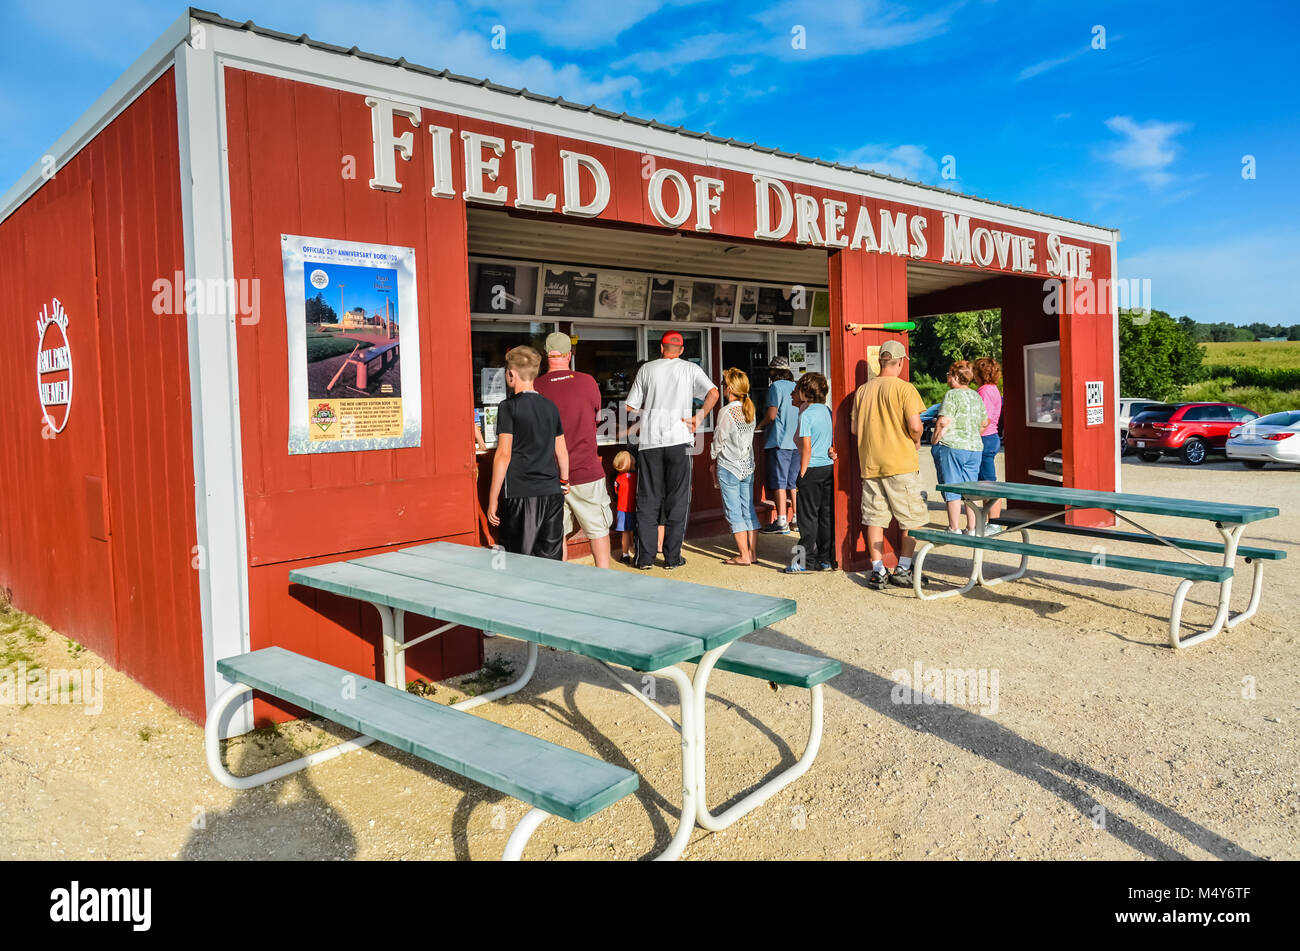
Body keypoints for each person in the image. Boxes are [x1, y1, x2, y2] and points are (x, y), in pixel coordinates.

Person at [624, 331, 719, 569]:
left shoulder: (647, 369)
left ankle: (644, 558)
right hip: (680, 440)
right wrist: (699, 417)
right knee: (678, 500)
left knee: (647, 500)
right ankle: (672, 558)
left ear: (661, 348)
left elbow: (629, 407)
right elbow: (714, 393)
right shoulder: (690, 369)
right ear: (682, 350)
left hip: (650, 442)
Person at [851, 339, 927, 590]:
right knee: (910, 519)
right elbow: (915, 425)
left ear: (880, 361)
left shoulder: (862, 391)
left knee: (874, 518)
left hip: (871, 464)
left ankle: (877, 570)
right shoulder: (905, 389)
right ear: (901, 362)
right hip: (901, 463)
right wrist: (915, 441)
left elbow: (854, 428)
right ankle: (903, 567)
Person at [535, 332, 613, 568]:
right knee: (598, 530)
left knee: (557, 535)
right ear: (569, 354)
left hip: (549, 474)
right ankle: (605, 578)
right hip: (586, 470)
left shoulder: (535, 386)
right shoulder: (587, 381)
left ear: (546, 355)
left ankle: (562, 586)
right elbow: (597, 417)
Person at [487, 346, 569, 559]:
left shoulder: (508, 407)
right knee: (551, 559)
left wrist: (493, 497)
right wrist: (564, 480)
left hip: (520, 492)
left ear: (511, 374)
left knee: (518, 559)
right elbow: (561, 450)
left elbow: (504, 454)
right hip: (551, 492)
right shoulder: (551, 407)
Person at [785, 372, 835, 573]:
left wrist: (802, 473)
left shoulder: (806, 415)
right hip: (828, 468)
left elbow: (806, 447)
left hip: (811, 468)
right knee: (825, 515)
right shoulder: (827, 411)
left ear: (806, 392)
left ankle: (803, 561)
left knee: (807, 518)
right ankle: (826, 559)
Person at [931, 361, 989, 534]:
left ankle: (953, 527)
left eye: (949, 374)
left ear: (956, 377)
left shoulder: (952, 395)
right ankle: (972, 527)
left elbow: (943, 421)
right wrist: (971, 433)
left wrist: (934, 440)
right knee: (971, 489)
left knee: (952, 487)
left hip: (952, 446)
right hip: (974, 447)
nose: (948, 378)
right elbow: (985, 422)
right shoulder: (976, 396)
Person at [710, 368, 760, 566]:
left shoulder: (726, 411)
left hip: (729, 465)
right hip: (748, 465)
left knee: (734, 512)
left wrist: (712, 459)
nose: (722, 388)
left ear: (730, 388)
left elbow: (718, 439)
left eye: (724, 385)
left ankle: (743, 555)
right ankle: (753, 553)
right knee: (748, 510)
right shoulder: (750, 408)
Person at [759, 356, 800, 535]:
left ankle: (781, 520)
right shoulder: (796, 386)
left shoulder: (775, 387)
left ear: (774, 372)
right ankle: (797, 519)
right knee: (793, 483)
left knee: (780, 482)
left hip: (780, 440)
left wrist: (759, 425)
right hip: (797, 441)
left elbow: (772, 415)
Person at [973, 356, 1005, 530]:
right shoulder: (994, 389)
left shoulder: (983, 391)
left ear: (980, 374)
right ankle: (989, 521)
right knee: (987, 481)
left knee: (989, 483)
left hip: (984, 437)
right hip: (992, 437)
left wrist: (973, 437)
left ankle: (994, 523)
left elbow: (982, 419)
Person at [612, 450, 637, 563]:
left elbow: (616, 491)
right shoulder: (637, 476)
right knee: (636, 531)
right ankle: (637, 552)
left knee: (625, 532)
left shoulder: (618, 478)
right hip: (635, 508)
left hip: (622, 509)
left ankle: (625, 555)